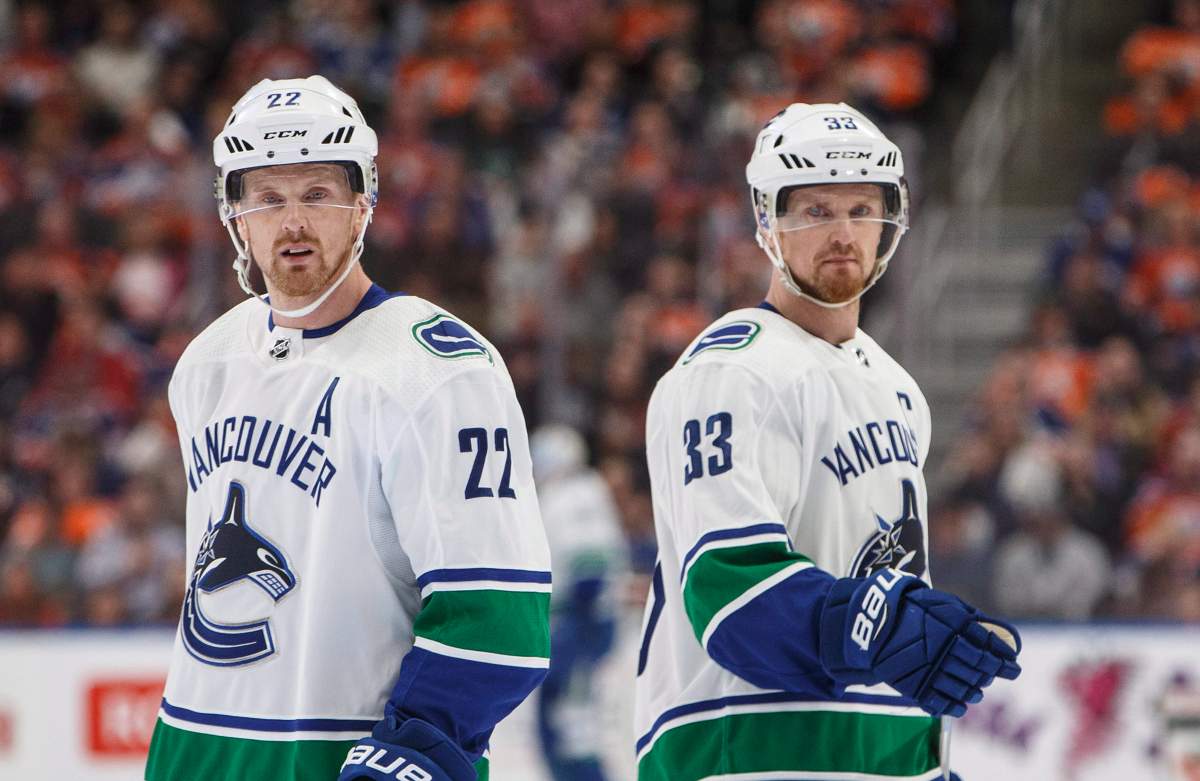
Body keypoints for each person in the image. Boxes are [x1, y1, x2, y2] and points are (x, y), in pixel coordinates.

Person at [143, 76, 551, 781]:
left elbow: (500, 619)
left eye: (317, 194)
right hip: (196, 752)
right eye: (268, 197)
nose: (292, 222)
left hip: (347, 759)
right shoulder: (207, 364)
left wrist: (409, 754)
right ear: (234, 213)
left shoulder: (439, 369)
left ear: (363, 202)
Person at [633, 103, 1023, 781]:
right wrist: (884, 621)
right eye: (815, 210)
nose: (843, 233)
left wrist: (920, 761)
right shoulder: (728, 373)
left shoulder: (898, 390)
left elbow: (892, 598)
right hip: (745, 756)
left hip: (870, 757)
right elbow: (732, 602)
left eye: (861, 209)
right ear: (767, 220)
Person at [529, 425, 627, 781]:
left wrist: (578, 626)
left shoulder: (575, 493)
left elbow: (589, 563)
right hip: (577, 621)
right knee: (564, 722)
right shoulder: (580, 491)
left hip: (579, 621)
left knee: (572, 726)